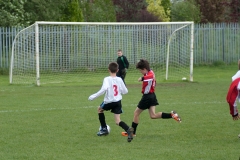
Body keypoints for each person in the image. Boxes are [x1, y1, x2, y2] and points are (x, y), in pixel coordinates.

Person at [121, 59, 181, 137]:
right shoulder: (151, 71)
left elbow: (150, 77)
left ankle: (132, 133)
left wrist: (142, 78)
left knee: (136, 113)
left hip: (147, 97)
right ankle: (172, 115)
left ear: (144, 69)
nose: (140, 72)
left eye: (140, 70)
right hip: (152, 95)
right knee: (153, 115)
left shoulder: (150, 74)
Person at [88, 62, 134, 142]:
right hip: (118, 102)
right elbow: (125, 91)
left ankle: (104, 129)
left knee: (99, 109)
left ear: (108, 70)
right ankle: (128, 129)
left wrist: (93, 96)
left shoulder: (106, 79)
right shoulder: (119, 79)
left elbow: (103, 90)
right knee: (117, 121)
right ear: (117, 70)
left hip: (109, 101)